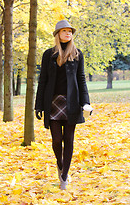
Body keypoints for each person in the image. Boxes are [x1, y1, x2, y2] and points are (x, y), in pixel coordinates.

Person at [35, 20, 93, 190]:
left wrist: (86, 102)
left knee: (68, 139)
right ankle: (60, 165)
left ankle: (65, 176)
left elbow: (81, 79)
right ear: (58, 34)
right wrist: (39, 105)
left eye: (70, 31)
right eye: (65, 31)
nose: (68, 33)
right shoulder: (48, 54)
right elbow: (43, 80)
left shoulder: (77, 54)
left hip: (72, 102)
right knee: (56, 140)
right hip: (52, 102)